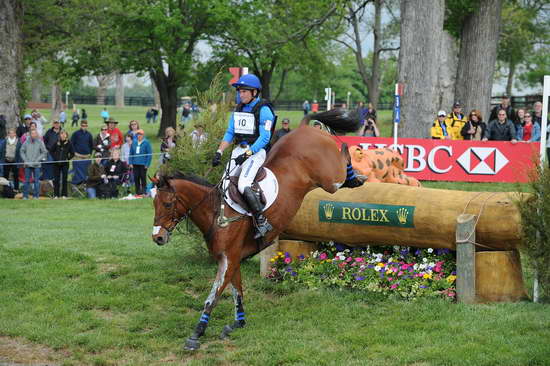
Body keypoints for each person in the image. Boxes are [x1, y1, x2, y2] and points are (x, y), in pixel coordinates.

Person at [211, 74, 276, 238]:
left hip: (256, 151)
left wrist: (248, 153)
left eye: (245, 91)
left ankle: (262, 221)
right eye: (240, 91)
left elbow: (265, 138)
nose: (241, 94)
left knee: (243, 184)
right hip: (239, 150)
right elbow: (230, 132)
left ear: (255, 92)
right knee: (224, 182)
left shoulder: (264, 110)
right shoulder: (239, 108)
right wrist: (219, 152)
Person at [20, 129, 48, 199]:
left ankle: (36, 196)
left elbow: (44, 152)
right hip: (28, 164)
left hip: (37, 165)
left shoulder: (40, 142)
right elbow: (22, 151)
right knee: (26, 181)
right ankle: (25, 196)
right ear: (30, 134)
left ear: (36, 134)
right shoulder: (26, 142)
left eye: (34, 133)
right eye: (32, 133)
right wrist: (25, 160)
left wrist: (38, 160)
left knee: (36, 181)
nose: (33, 135)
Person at [51, 130, 74, 198]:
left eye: (64, 134)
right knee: (56, 179)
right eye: (61, 134)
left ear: (66, 135)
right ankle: (56, 195)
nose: (63, 135)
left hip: (65, 164)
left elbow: (73, 153)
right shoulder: (57, 142)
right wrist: (55, 158)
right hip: (56, 164)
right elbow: (51, 151)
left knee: (64, 179)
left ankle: (64, 195)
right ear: (60, 135)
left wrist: (68, 158)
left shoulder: (69, 143)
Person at [129, 129, 152, 196]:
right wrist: (130, 162)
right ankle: (138, 191)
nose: (139, 136)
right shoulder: (134, 142)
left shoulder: (146, 142)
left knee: (143, 177)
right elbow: (131, 153)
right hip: (135, 163)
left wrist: (147, 164)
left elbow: (149, 154)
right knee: (136, 177)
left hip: (143, 164)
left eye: (140, 134)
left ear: (143, 135)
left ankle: (144, 191)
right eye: (138, 134)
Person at [70, 120, 94, 185]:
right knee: (77, 172)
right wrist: (74, 153)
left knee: (86, 171)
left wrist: (90, 153)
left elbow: (91, 145)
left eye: (85, 126)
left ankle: (85, 184)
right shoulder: (75, 133)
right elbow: (71, 144)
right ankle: (75, 184)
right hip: (78, 156)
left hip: (87, 156)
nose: (84, 127)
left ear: (87, 126)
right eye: (83, 125)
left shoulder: (89, 134)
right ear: (80, 126)